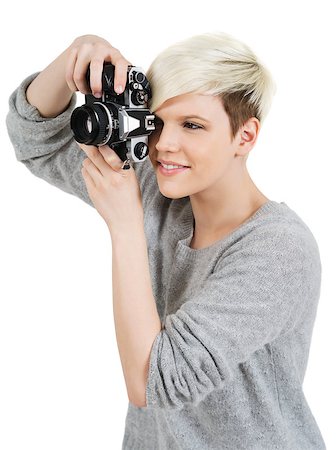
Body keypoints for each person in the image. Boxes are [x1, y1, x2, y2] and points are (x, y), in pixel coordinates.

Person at [6, 32, 326, 449]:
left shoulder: (279, 250)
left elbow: (155, 382)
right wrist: (75, 58)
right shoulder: (157, 192)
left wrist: (124, 225)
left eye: (192, 125)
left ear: (245, 137)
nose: (164, 145)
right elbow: (35, 140)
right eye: (156, 122)